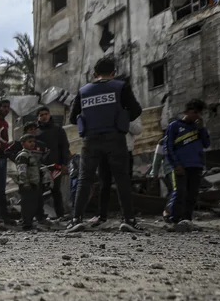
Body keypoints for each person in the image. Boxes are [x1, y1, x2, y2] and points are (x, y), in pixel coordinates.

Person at [68, 56, 143, 232]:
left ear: (95, 74)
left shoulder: (83, 91)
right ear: (113, 73)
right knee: (122, 178)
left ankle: (76, 219)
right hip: (115, 138)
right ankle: (128, 220)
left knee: (84, 179)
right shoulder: (121, 87)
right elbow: (136, 110)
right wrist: (120, 119)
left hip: (90, 140)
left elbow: (72, 118)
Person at [165, 99, 211, 227]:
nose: (198, 116)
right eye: (195, 112)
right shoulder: (174, 126)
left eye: (200, 113)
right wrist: (176, 164)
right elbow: (168, 147)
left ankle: (186, 220)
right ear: (186, 112)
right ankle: (174, 220)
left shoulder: (199, 128)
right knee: (180, 192)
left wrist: (202, 129)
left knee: (192, 194)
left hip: (196, 165)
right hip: (181, 166)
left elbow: (206, 144)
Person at [36, 107, 71, 218]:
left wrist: (64, 164)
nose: (44, 116)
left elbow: (64, 147)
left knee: (55, 190)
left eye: (46, 114)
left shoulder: (58, 130)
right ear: (38, 117)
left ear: (49, 115)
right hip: (40, 167)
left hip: (55, 166)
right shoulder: (36, 132)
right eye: (41, 115)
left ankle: (60, 215)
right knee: (38, 191)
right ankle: (40, 216)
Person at [15, 134, 44, 230]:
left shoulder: (31, 155)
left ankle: (29, 223)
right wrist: (25, 183)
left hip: (34, 184)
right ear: (23, 143)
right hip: (27, 185)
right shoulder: (23, 155)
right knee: (27, 206)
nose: (32, 144)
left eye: (33, 141)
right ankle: (26, 224)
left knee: (33, 205)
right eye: (29, 142)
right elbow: (22, 171)